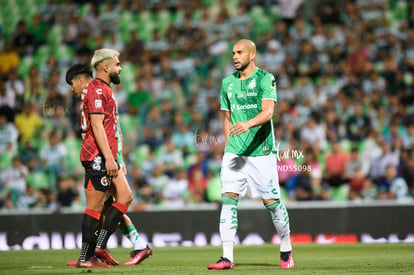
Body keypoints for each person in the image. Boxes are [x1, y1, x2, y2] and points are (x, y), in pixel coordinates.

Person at [207, 39, 294, 270]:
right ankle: (227, 257)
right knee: (228, 200)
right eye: (233, 52)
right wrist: (229, 146)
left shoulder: (266, 79)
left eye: (239, 52)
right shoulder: (227, 83)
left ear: (252, 54)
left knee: (272, 204)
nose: (235, 56)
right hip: (235, 153)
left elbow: (268, 112)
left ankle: (286, 246)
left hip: (262, 151)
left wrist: (246, 124)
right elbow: (227, 119)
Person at [64, 54, 151, 268]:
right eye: (118, 64)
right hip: (98, 157)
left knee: (119, 199)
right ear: (105, 66)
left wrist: (117, 158)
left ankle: (98, 249)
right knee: (97, 206)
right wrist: (111, 158)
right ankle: (88, 256)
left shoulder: (103, 90)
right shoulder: (96, 90)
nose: (120, 68)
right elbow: (98, 126)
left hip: (106, 157)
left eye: (71, 83)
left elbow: (112, 128)